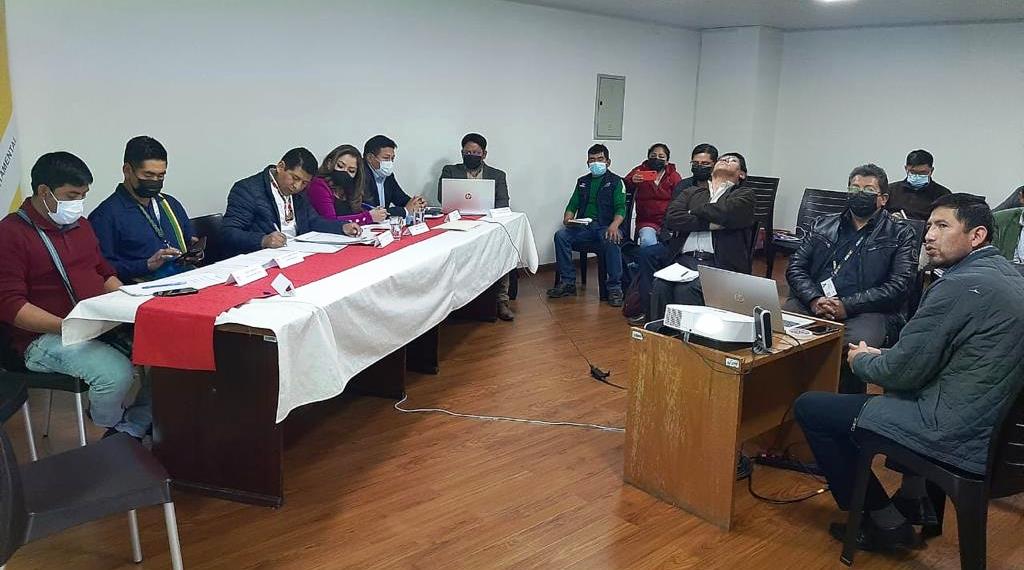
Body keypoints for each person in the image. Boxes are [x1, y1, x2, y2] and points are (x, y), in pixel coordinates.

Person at [794, 193, 1024, 552]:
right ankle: (914, 498)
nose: (928, 235)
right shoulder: (1007, 275)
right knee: (898, 381)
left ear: (977, 235)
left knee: (811, 408)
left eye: (942, 226)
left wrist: (861, 360)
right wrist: (888, 356)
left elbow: (901, 373)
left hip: (952, 429)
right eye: (929, 226)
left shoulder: (957, 286)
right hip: (994, 427)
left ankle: (885, 523)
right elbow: (928, 355)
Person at [0, 152, 150, 438]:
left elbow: (104, 273)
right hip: (42, 338)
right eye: (71, 195)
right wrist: (68, 326)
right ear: (44, 192)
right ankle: (109, 432)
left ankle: (136, 423)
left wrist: (129, 303)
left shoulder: (81, 225)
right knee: (114, 374)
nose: (78, 203)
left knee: (165, 350)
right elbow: (12, 306)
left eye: (83, 195)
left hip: (96, 322)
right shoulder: (10, 234)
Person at [785, 164, 918, 394]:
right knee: (779, 332)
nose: (859, 194)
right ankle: (786, 398)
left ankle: (841, 403)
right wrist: (814, 298)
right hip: (815, 302)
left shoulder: (901, 233)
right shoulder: (823, 224)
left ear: (883, 199)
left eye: (868, 190)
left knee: (853, 347)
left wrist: (847, 306)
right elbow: (796, 267)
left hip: (869, 310)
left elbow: (899, 286)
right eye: (854, 189)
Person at [647, 153, 755, 319]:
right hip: (685, 261)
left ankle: (688, 334)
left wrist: (692, 212)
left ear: (742, 174)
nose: (726, 161)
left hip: (719, 263)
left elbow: (726, 212)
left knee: (687, 289)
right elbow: (672, 218)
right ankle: (661, 332)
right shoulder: (692, 192)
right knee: (660, 285)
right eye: (722, 159)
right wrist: (710, 225)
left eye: (732, 160)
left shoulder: (744, 194)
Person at [627, 143, 719, 324]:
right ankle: (648, 310)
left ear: (714, 164)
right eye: (695, 163)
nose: (699, 167)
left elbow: (718, 215)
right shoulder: (684, 185)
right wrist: (705, 223)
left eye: (705, 164)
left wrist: (689, 218)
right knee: (647, 253)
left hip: (710, 249)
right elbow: (673, 217)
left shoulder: (719, 189)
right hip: (676, 241)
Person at [89, 136, 195, 283]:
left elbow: (190, 240)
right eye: (148, 175)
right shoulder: (105, 216)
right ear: (127, 170)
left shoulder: (170, 204)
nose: (155, 181)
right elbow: (102, 270)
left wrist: (194, 252)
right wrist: (146, 265)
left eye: (160, 176)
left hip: (187, 278)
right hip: (143, 286)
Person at [221, 148, 361, 256]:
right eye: (295, 178)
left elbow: (313, 221)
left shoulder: (299, 193)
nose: (297, 186)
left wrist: (342, 227)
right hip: (264, 257)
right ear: (280, 167)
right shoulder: (248, 190)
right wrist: (263, 240)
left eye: (304, 183)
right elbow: (228, 232)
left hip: (298, 253)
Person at [437, 133, 514, 321]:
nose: (471, 156)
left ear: (484, 154)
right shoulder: (450, 171)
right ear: (462, 153)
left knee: (503, 249)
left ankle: (501, 300)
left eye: (476, 153)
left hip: (487, 224)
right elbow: (442, 197)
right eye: (467, 152)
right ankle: (452, 302)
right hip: (457, 224)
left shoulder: (497, 175)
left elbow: (503, 202)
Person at [547, 144, 627, 307]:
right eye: (592, 160)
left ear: (608, 162)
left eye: (600, 159)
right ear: (587, 163)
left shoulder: (616, 182)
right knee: (561, 236)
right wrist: (568, 218)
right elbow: (572, 204)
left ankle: (614, 288)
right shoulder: (582, 182)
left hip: (605, 227)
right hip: (584, 227)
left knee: (612, 239)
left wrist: (614, 225)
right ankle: (568, 282)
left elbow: (621, 207)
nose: (596, 163)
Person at [307, 144, 388, 225]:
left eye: (351, 171)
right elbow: (330, 221)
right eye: (340, 166)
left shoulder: (349, 188)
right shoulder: (318, 185)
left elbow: (356, 213)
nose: (344, 172)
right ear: (329, 163)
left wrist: (374, 212)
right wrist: (368, 217)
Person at [624, 143, 682, 248]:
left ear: (667, 161)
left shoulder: (673, 175)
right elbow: (624, 184)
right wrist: (632, 180)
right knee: (647, 241)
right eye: (653, 155)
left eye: (661, 156)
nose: (656, 159)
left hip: (668, 221)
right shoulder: (640, 171)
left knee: (672, 246)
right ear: (648, 157)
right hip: (646, 221)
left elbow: (680, 196)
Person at [361, 134, 425, 218]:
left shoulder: (387, 175)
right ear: (370, 158)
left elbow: (401, 199)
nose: (390, 162)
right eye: (386, 158)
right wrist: (405, 210)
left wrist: (416, 203)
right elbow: (372, 211)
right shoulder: (360, 175)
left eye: (392, 159)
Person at [885, 149, 951, 221]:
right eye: (912, 172)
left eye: (922, 173)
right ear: (906, 169)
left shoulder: (943, 194)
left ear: (931, 171)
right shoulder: (891, 190)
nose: (917, 176)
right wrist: (890, 217)